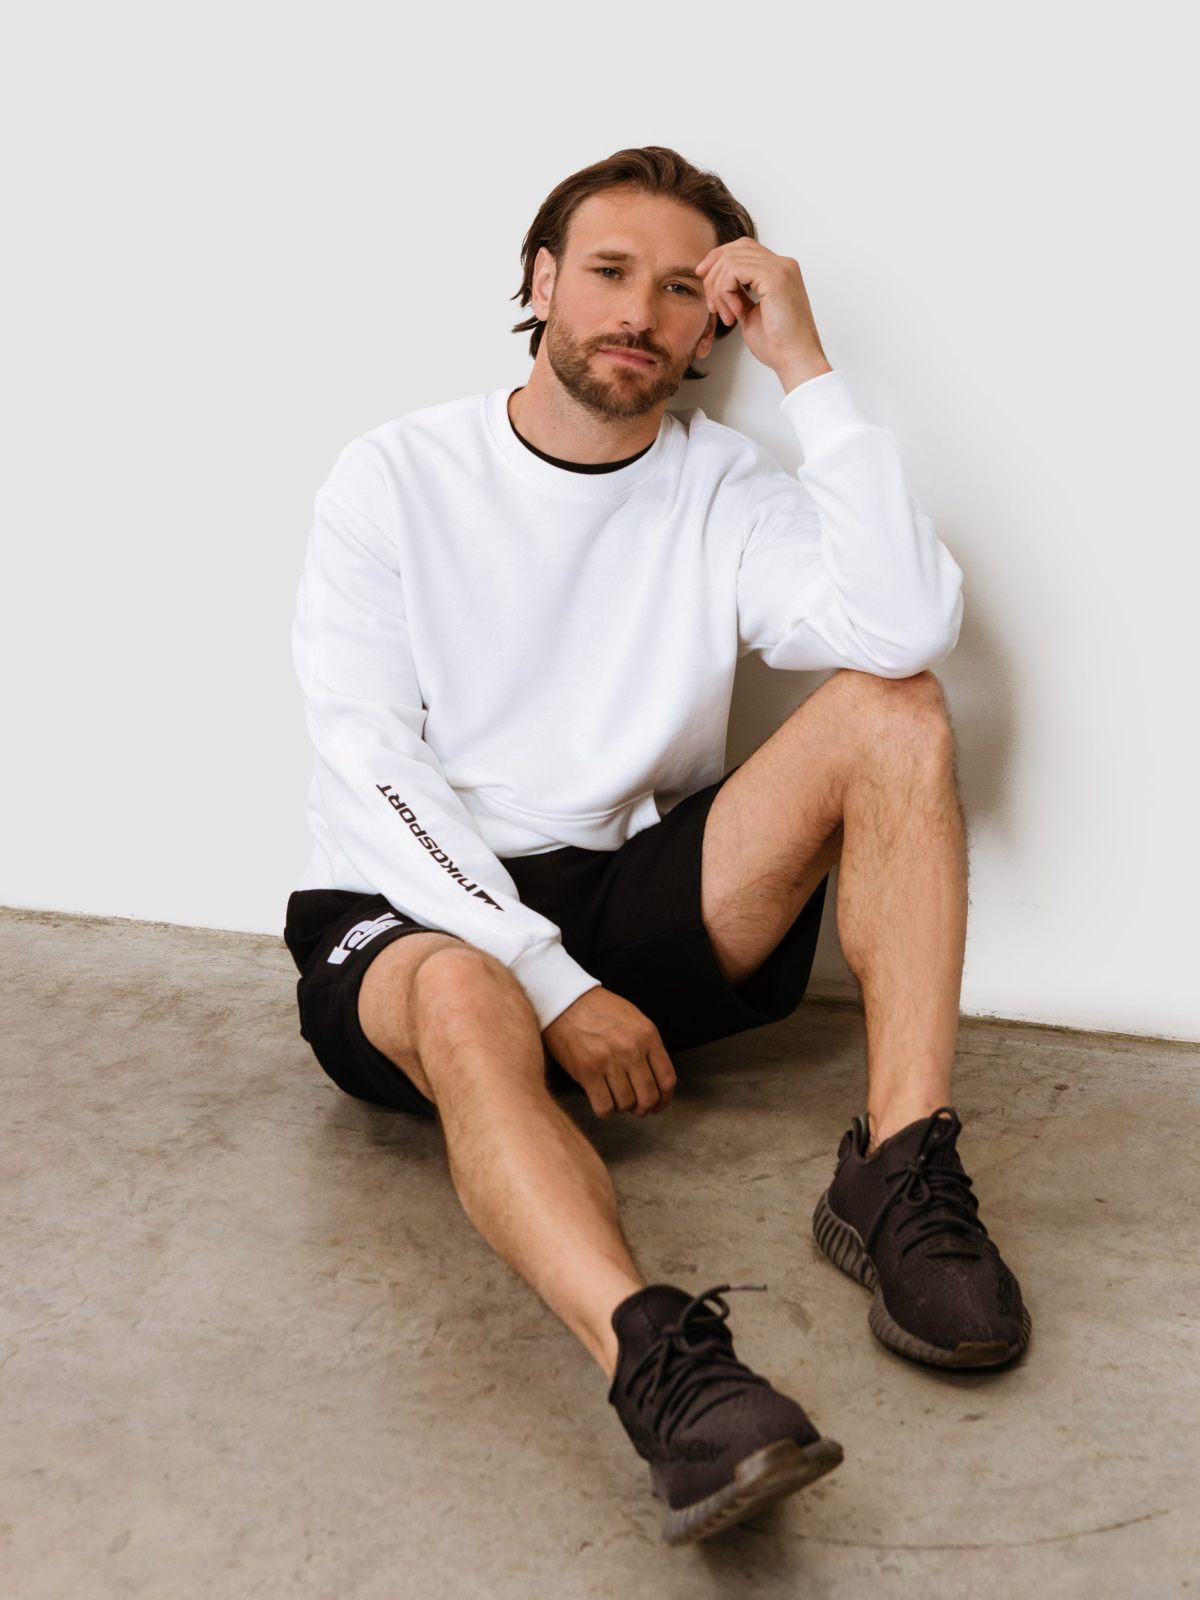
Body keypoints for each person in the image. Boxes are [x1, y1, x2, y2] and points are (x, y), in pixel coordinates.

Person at [282, 144, 1030, 1546]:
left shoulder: (728, 485)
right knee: (465, 993)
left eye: (681, 289)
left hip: (628, 900)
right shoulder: (395, 475)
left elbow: (903, 626)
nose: (637, 311)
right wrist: (544, 979)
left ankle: (898, 1167)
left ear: (713, 324)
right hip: (415, 915)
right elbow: (371, 766)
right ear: (540, 282)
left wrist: (807, 367)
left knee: (898, 709)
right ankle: (664, 1373)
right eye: (609, 271)